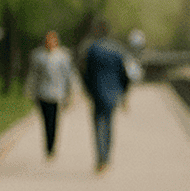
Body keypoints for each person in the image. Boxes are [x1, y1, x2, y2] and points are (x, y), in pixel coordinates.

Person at [79, 19, 131, 172]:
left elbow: (85, 73)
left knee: (97, 125)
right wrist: (124, 93)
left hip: (96, 92)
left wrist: (87, 90)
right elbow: (125, 75)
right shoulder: (117, 49)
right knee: (109, 124)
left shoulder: (92, 49)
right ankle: (106, 157)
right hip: (113, 94)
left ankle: (100, 158)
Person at [25, 30, 78, 160]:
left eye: (53, 40)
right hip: (42, 93)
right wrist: (29, 90)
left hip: (56, 94)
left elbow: (68, 76)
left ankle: (51, 148)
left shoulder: (63, 56)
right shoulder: (38, 56)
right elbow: (33, 75)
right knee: (45, 121)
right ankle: (47, 145)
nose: (50, 43)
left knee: (53, 121)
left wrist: (70, 93)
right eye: (48, 40)